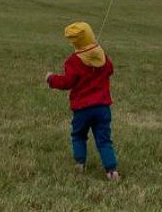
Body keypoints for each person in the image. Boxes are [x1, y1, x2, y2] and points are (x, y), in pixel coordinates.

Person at [46, 21, 119, 180]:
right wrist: (99, 54)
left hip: (82, 109)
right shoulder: (102, 55)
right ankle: (111, 170)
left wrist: (51, 79)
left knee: (78, 135)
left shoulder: (73, 60)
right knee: (104, 140)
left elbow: (67, 82)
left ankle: (80, 163)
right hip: (102, 108)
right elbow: (110, 69)